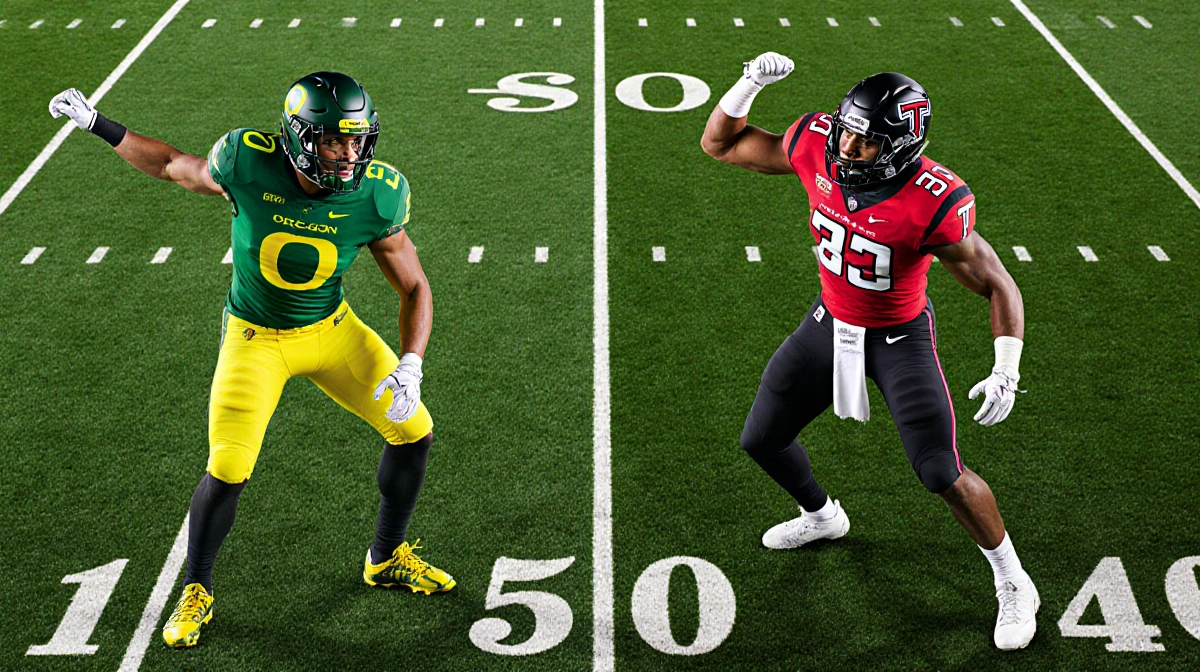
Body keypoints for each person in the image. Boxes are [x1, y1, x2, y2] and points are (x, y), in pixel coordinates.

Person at [49, 71, 455, 649]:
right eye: (333, 141)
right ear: (298, 139)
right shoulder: (247, 162)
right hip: (255, 338)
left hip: (332, 330)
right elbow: (173, 166)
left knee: (415, 432)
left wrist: (411, 362)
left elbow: (414, 286)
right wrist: (99, 125)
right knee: (229, 467)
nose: (348, 155)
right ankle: (197, 587)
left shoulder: (377, 193)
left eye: (356, 140)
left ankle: (385, 557)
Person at [700, 54, 1037, 650]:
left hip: (898, 337)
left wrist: (1005, 369)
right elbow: (720, 144)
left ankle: (1013, 580)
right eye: (847, 131)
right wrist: (748, 84)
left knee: (940, 471)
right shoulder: (817, 143)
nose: (848, 147)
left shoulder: (933, 199)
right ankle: (822, 516)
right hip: (830, 322)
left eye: (867, 141)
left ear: (902, 147)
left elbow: (996, 282)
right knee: (761, 439)